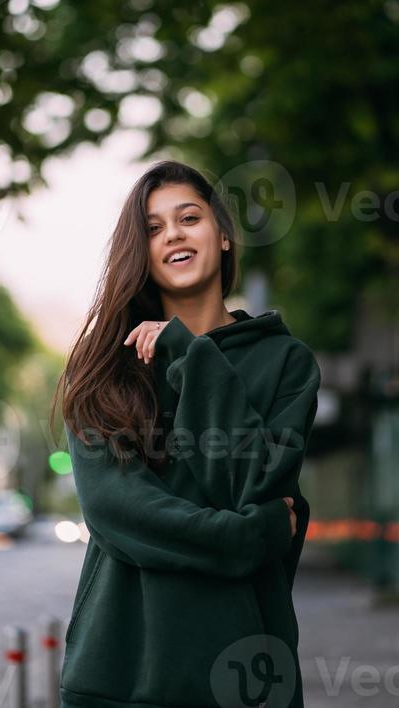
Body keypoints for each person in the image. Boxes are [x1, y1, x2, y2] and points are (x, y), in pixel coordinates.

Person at [50, 159, 321, 708]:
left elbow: (251, 479)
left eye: (189, 217)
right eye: (152, 228)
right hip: (124, 676)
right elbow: (121, 513)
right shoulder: (104, 368)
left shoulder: (285, 363)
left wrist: (189, 357)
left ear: (222, 236)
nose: (172, 233)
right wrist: (257, 534)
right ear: (142, 254)